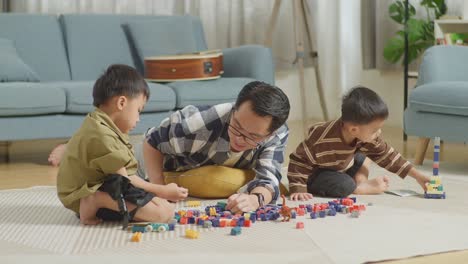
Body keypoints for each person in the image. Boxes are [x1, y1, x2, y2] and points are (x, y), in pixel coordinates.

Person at [57, 64, 186, 226]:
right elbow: (127, 180)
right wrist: (162, 190)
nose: (138, 118)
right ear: (122, 103)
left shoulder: (98, 123)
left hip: (105, 185)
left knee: (163, 206)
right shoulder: (103, 136)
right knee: (161, 214)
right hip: (86, 193)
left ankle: (99, 199)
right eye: (138, 110)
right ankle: (94, 201)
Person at [142, 81, 290, 213]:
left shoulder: (277, 134)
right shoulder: (198, 122)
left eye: (252, 136)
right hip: (159, 166)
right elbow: (152, 140)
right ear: (234, 110)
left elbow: (269, 178)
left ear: (269, 134)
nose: (239, 139)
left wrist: (255, 199)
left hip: (220, 169)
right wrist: (158, 188)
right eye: (237, 126)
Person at [287, 86, 431, 201]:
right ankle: (358, 187)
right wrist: (298, 188)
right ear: (354, 129)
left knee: (365, 155)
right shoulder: (322, 140)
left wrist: (418, 176)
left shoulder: (360, 135)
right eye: (375, 130)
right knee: (345, 185)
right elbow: (299, 160)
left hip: (339, 165)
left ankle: (360, 180)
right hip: (315, 174)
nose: (379, 133)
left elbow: (388, 155)